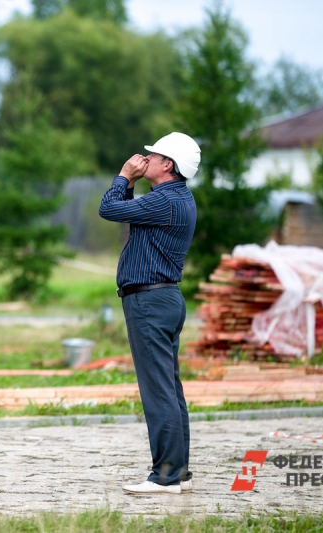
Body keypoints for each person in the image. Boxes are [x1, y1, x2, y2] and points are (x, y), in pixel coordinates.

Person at [98, 132, 200, 495]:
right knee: (169, 389)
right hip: (164, 299)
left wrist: (125, 176)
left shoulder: (164, 201)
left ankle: (168, 476)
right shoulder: (172, 200)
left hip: (150, 303)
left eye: (154, 155)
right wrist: (131, 185)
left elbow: (108, 209)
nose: (146, 158)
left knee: (158, 392)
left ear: (167, 165)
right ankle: (179, 472)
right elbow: (127, 215)